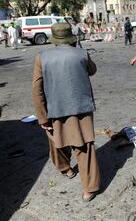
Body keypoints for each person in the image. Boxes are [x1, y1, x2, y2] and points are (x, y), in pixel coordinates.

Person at [32, 23, 100, 202]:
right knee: (84, 147)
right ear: (71, 37)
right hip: (81, 109)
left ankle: (66, 169)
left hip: (55, 109)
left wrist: (42, 117)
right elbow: (92, 70)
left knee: (56, 141)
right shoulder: (82, 54)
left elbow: (37, 89)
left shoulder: (42, 57)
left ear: (54, 39)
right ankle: (89, 189)